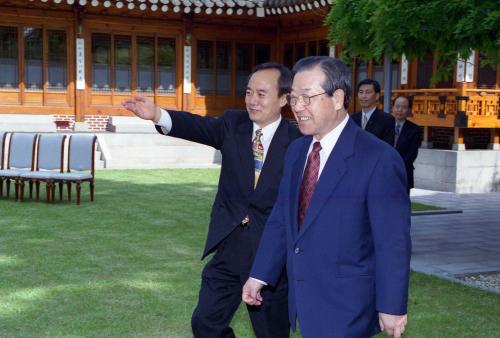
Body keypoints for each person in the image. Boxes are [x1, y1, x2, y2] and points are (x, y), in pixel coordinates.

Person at [123, 62, 301, 338]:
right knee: (206, 323)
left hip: (271, 256)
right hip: (230, 246)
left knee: (271, 333)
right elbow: (198, 126)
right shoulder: (234, 124)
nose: (252, 100)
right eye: (249, 92)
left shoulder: (299, 141)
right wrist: (157, 114)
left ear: (284, 99)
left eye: (262, 94)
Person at [242, 56, 411, 338]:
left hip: (348, 304)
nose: (298, 107)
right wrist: (260, 274)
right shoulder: (297, 152)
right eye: (294, 98)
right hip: (303, 297)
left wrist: (392, 306)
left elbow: (392, 241)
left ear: (337, 98)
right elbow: (282, 219)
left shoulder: (378, 159)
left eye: (307, 98)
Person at [392, 95, 422, 193]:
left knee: (401, 205)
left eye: (404, 107)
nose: (400, 110)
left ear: (409, 110)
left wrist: (396, 166)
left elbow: (412, 154)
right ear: (393, 108)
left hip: (403, 172)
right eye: (397, 106)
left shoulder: (414, 130)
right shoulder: (384, 125)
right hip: (383, 171)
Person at [351, 79, 394, 145]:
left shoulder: (387, 119)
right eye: (361, 92)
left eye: (368, 92)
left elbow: (387, 147)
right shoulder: (352, 118)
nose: (363, 96)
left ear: (377, 96)